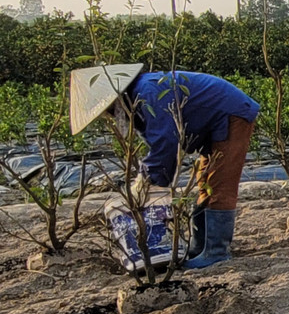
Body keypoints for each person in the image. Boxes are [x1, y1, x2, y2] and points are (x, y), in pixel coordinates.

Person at [69, 64, 260, 269]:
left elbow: (166, 142)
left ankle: (216, 252)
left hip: (231, 114)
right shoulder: (140, 95)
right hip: (216, 118)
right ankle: (200, 247)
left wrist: (149, 182)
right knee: (205, 182)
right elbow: (161, 142)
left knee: (220, 183)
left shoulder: (147, 92)